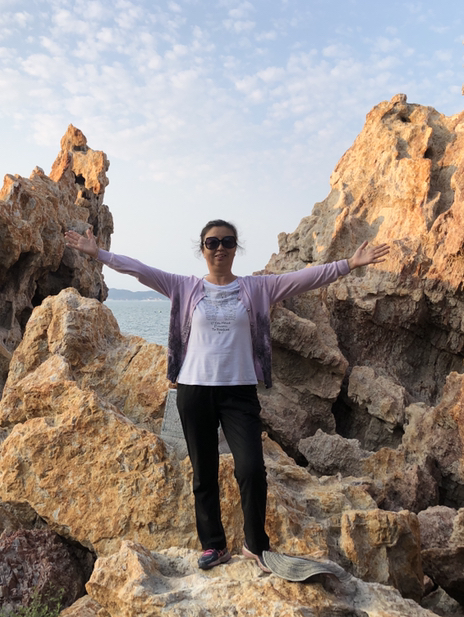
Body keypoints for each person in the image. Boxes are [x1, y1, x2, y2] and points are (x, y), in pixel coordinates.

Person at [64, 220, 389, 572]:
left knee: (251, 469)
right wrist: (99, 254)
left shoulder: (257, 288)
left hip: (239, 393)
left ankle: (255, 545)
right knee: (203, 473)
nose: (220, 248)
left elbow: (305, 278)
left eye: (227, 241)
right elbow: (140, 270)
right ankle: (214, 545)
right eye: (212, 242)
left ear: (236, 248)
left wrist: (349, 264)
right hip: (194, 390)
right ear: (202, 249)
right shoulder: (184, 286)